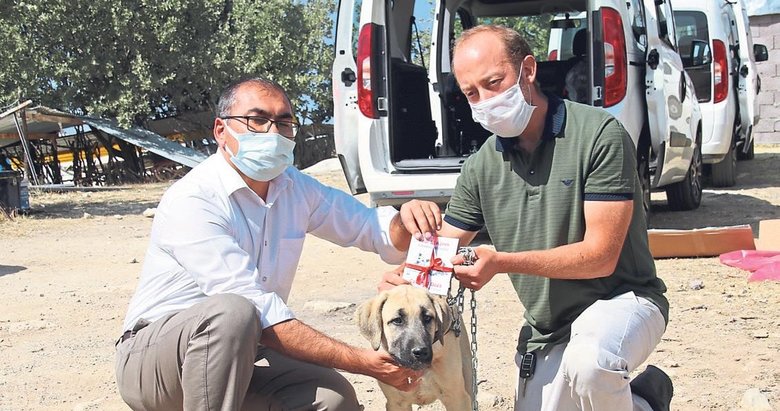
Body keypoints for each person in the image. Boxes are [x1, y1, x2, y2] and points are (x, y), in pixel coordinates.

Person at [389, 25, 673, 411]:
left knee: (591, 364)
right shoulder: (481, 167)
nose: (485, 100)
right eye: (472, 93)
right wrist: (405, 231)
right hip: (550, 330)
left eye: (494, 82)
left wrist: (502, 262)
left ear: (528, 69)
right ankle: (642, 401)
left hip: (623, 301)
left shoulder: (599, 134)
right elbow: (439, 248)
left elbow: (601, 256)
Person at [115, 77, 425, 410]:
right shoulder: (195, 198)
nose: (273, 133)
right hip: (153, 363)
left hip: (242, 353)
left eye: (284, 122)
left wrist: (404, 221)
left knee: (333, 400)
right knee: (233, 311)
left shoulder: (294, 187)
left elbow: (367, 227)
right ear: (221, 131)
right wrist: (361, 361)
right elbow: (256, 310)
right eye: (258, 120)